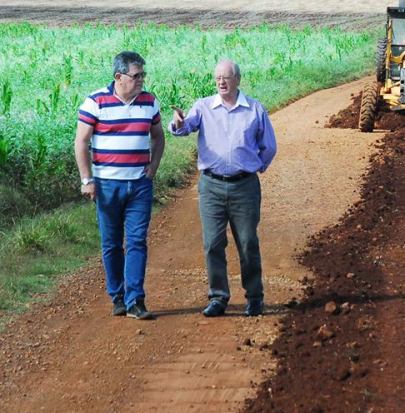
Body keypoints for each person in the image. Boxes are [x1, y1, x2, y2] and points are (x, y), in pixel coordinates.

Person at [170, 59, 277, 318]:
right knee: (212, 244)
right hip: (211, 186)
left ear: (238, 79)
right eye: (218, 78)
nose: (222, 82)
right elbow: (184, 128)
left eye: (227, 77)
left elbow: (269, 146)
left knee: (247, 243)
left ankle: (255, 297)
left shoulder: (254, 109)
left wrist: (251, 168)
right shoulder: (204, 107)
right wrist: (177, 122)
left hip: (244, 187)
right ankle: (218, 298)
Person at [74, 51, 165, 320]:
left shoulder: (149, 101)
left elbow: (158, 138)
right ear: (119, 76)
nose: (141, 80)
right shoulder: (96, 102)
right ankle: (117, 297)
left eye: (143, 75)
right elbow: (81, 142)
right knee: (112, 243)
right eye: (136, 76)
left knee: (137, 241)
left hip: (140, 185)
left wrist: (154, 166)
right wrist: (87, 180)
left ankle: (135, 299)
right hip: (107, 185)